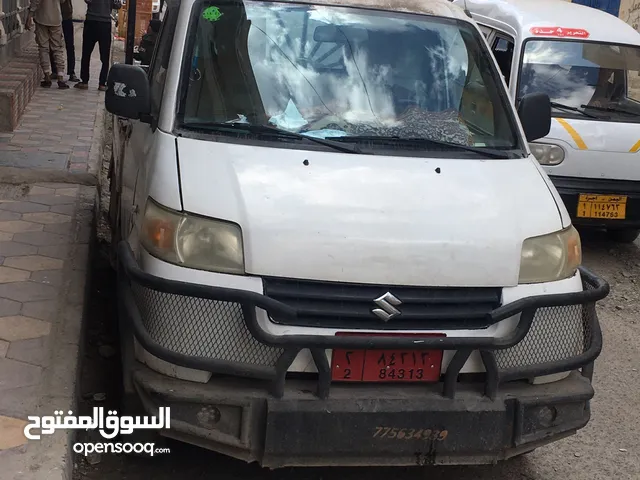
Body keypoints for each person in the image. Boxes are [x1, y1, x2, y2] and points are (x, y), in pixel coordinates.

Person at [75, 0, 122, 91]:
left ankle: (84, 82)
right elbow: (117, 5)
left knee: (86, 54)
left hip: (91, 22)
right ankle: (102, 83)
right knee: (105, 57)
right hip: (105, 24)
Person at [26, 0, 70, 89]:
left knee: (43, 48)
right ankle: (60, 77)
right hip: (56, 18)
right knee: (57, 48)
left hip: (42, 18)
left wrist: (30, 15)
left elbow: (36, 1)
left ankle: (47, 77)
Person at [51, 0, 79, 82]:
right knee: (53, 44)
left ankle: (71, 72)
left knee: (70, 45)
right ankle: (55, 70)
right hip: (55, 16)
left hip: (66, 16)